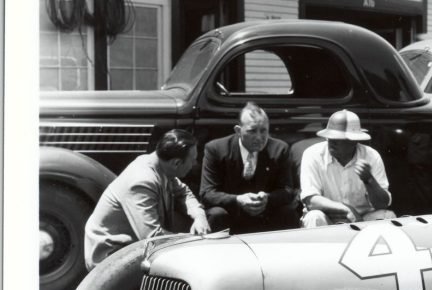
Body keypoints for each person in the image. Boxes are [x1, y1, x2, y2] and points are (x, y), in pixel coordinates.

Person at [84, 128, 210, 268]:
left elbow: (184, 192)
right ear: (176, 163)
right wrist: (194, 241)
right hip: (110, 257)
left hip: (132, 245)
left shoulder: (159, 164)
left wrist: (199, 216)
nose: (195, 164)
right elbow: (152, 238)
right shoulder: (142, 181)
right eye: (192, 160)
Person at [199, 102, 299, 233]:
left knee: (288, 213)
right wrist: (238, 200)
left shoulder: (280, 149)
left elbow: (287, 190)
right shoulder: (216, 149)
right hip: (231, 214)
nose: (259, 137)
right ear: (238, 130)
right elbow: (207, 193)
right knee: (216, 214)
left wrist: (267, 198)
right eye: (252, 131)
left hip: (266, 214)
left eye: (263, 130)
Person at [299, 110, 395, 227]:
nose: (331, 141)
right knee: (314, 216)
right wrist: (345, 209)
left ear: (354, 141)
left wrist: (369, 180)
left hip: (362, 219)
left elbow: (382, 204)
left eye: (337, 138)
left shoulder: (371, 156)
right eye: (329, 137)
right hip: (327, 218)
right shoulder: (312, 154)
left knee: (387, 216)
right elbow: (311, 201)